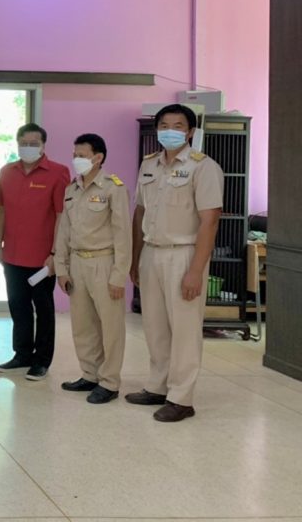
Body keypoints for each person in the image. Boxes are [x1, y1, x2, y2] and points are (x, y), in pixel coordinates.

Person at [126, 104, 223, 422]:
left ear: (190, 132)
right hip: (151, 252)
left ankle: (181, 398)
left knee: (184, 328)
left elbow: (209, 221)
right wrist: (135, 257)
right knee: (154, 325)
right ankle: (158, 386)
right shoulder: (149, 164)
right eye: (164, 125)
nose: (170, 131)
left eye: (178, 125)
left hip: (184, 253)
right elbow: (140, 212)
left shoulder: (203, 167)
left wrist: (196, 270)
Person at [54, 134, 132, 404]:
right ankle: (90, 374)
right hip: (77, 263)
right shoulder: (72, 189)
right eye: (75, 154)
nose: (76, 159)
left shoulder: (113, 188)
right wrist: (61, 268)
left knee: (111, 327)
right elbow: (64, 231)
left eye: (82, 155)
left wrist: (119, 275)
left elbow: (123, 235)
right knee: (83, 324)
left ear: (98, 158)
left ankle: (109, 381)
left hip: (104, 262)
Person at [0, 123, 70, 381]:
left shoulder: (58, 172)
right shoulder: (7, 172)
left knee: (44, 309)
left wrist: (55, 253)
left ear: (43, 145)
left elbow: (61, 215)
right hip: (13, 254)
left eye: (34, 143)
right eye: (24, 143)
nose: (28, 147)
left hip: (43, 258)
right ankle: (22, 354)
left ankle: (42, 360)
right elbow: (1, 210)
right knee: (18, 305)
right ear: (17, 144)